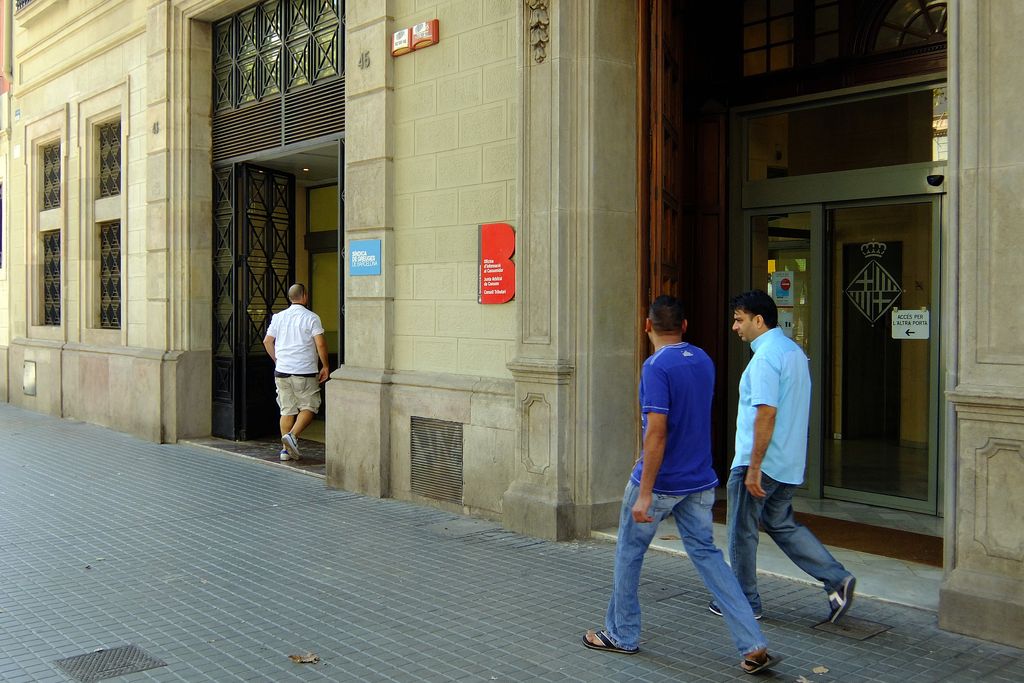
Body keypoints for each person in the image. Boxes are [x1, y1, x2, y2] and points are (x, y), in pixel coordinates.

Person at [583, 295, 782, 675]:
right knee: (709, 558)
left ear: (647, 326)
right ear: (685, 326)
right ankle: (753, 642)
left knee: (629, 554)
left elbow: (657, 432)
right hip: (700, 480)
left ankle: (621, 634)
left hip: (661, 483)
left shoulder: (656, 367)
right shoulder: (703, 360)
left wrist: (644, 491)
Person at [713, 290, 855, 624]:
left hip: (760, 462)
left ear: (758, 320)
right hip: (788, 463)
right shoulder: (793, 351)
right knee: (781, 524)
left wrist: (754, 467)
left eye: (739, 319)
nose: (735, 327)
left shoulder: (764, 358)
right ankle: (837, 579)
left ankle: (746, 602)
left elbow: (766, 412)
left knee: (741, 532)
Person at [262, 283, 330, 461]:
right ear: (305, 296)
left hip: (282, 371)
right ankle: (293, 436)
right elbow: (320, 344)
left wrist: (278, 359)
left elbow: (267, 342)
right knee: (310, 406)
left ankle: (285, 451)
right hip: (304, 370)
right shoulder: (311, 318)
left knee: (287, 410)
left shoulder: (278, 317)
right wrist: (326, 366)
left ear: (290, 297)